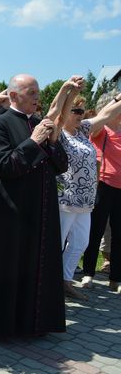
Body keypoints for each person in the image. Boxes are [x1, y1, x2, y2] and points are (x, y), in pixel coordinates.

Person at [0, 73, 72, 338]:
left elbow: (61, 165)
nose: (37, 98)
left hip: (42, 212)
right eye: (32, 93)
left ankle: (36, 324)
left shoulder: (41, 123)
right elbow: (4, 166)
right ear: (14, 95)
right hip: (12, 212)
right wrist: (33, 141)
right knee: (11, 266)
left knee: (38, 266)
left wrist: (50, 142)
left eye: (38, 92)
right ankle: (5, 326)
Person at [82, 92, 121, 292]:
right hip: (103, 184)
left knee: (118, 234)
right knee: (95, 230)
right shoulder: (100, 130)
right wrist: (117, 99)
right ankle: (88, 272)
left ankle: (116, 278)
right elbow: (102, 115)